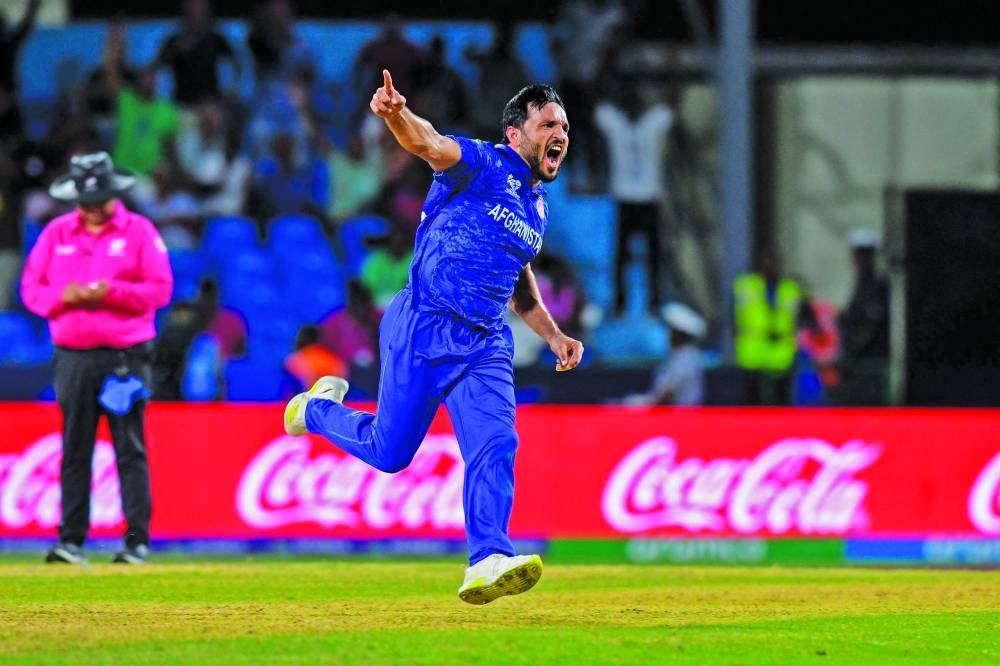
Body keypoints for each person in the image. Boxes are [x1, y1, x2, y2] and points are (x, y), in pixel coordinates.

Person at [283, 70, 582, 605]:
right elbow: (428, 143)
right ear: (515, 133)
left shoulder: (536, 208)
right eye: (546, 124)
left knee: (497, 442)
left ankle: (487, 556)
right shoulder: (484, 163)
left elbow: (517, 276)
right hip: (424, 324)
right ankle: (316, 410)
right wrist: (396, 113)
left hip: (485, 341)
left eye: (562, 125)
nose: (559, 133)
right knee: (390, 452)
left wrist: (554, 335)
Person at [19, 151, 173, 565]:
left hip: (126, 356)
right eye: (85, 202)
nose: (91, 209)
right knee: (75, 448)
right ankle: (71, 542)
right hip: (73, 358)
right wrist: (62, 296)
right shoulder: (56, 234)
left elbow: (160, 291)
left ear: (114, 195)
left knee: (130, 448)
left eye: (99, 201)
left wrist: (112, 292)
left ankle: (136, 542)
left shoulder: (139, 231)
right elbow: (32, 292)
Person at [594, 77, 673, 317]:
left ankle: (655, 300)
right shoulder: (617, 123)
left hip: (648, 198)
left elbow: (671, 105)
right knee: (622, 257)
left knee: (653, 255)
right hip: (626, 198)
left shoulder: (650, 123)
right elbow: (597, 104)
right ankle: (621, 301)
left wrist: (672, 70)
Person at [733, 247, 802, 406]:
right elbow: (735, 318)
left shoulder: (789, 288)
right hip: (752, 355)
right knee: (752, 403)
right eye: (767, 261)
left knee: (781, 403)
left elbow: (798, 319)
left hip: (781, 355)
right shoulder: (746, 286)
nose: (770, 265)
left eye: (774, 261)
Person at [833, 228, 889, 405]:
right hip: (855, 367)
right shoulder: (860, 283)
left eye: (862, 255)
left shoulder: (875, 285)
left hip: (867, 365)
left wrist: (849, 353)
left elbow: (870, 326)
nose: (857, 260)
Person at [153, 0, 241, 109]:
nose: (196, 15)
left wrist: (231, 90)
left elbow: (236, 67)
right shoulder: (173, 43)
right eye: (192, 10)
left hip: (212, 109)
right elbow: (157, 71)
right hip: (180, 107)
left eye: (200, 10)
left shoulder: (217, 41)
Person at [625, 302, 706, 406]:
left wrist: (647, 405)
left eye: (671, 331)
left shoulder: (686, 357)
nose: (667, 335)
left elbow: (669, 392)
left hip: (680, 417)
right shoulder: (679, 355)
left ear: (678, 334)